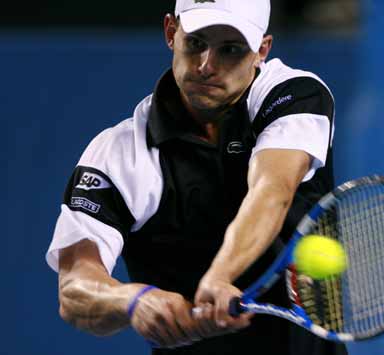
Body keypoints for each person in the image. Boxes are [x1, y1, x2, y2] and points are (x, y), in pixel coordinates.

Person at [46, 0, 347, 354]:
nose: (207, 65)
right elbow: (75, 287)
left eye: (230, 50)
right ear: (171, 33)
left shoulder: (294, 96)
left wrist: (221, 274)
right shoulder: (118, 155)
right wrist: (131, 300)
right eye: (196, 43)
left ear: (261, 51)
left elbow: (272, 190)